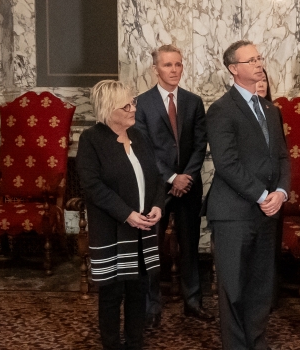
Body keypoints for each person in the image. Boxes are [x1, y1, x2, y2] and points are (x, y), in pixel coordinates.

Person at [205, 40, 290, 350]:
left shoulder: (270, 109)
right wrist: (262, 195)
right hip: (233, 213)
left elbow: (282, 157)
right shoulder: (221, 109)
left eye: (259, 58)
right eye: (251, 59)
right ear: (233, 68)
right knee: (234, 287)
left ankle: (257, 342)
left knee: (260, 286)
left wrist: (280, 192)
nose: (258, 63)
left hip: (267, 211)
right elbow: (226, 163)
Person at [79, 79, 165, 350]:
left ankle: (135, 343)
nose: (132, 108)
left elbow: (157, 177)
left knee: (139, 289)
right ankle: (112, 345)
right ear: (107, 110)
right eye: (125, 105)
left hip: (142, 228)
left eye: (133, 102)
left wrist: (157, 205)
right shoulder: (91, 139)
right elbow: (91, 186)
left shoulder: (139, 137)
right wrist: (126, 214)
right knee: (112, 293)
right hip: (112, 230)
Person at [131, 44, 213, 326]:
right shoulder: (141, 103)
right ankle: (152, 308)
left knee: (190, 246)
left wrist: (186, 176)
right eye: (168, 65)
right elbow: (144, 149)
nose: (174, 70)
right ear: (155, 69)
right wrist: (170, 178)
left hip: (189, 186)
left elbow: (201, 144)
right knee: (152, 249)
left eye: (178, 64)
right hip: (156, 188)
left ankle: (193, 303)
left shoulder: (193, 101)